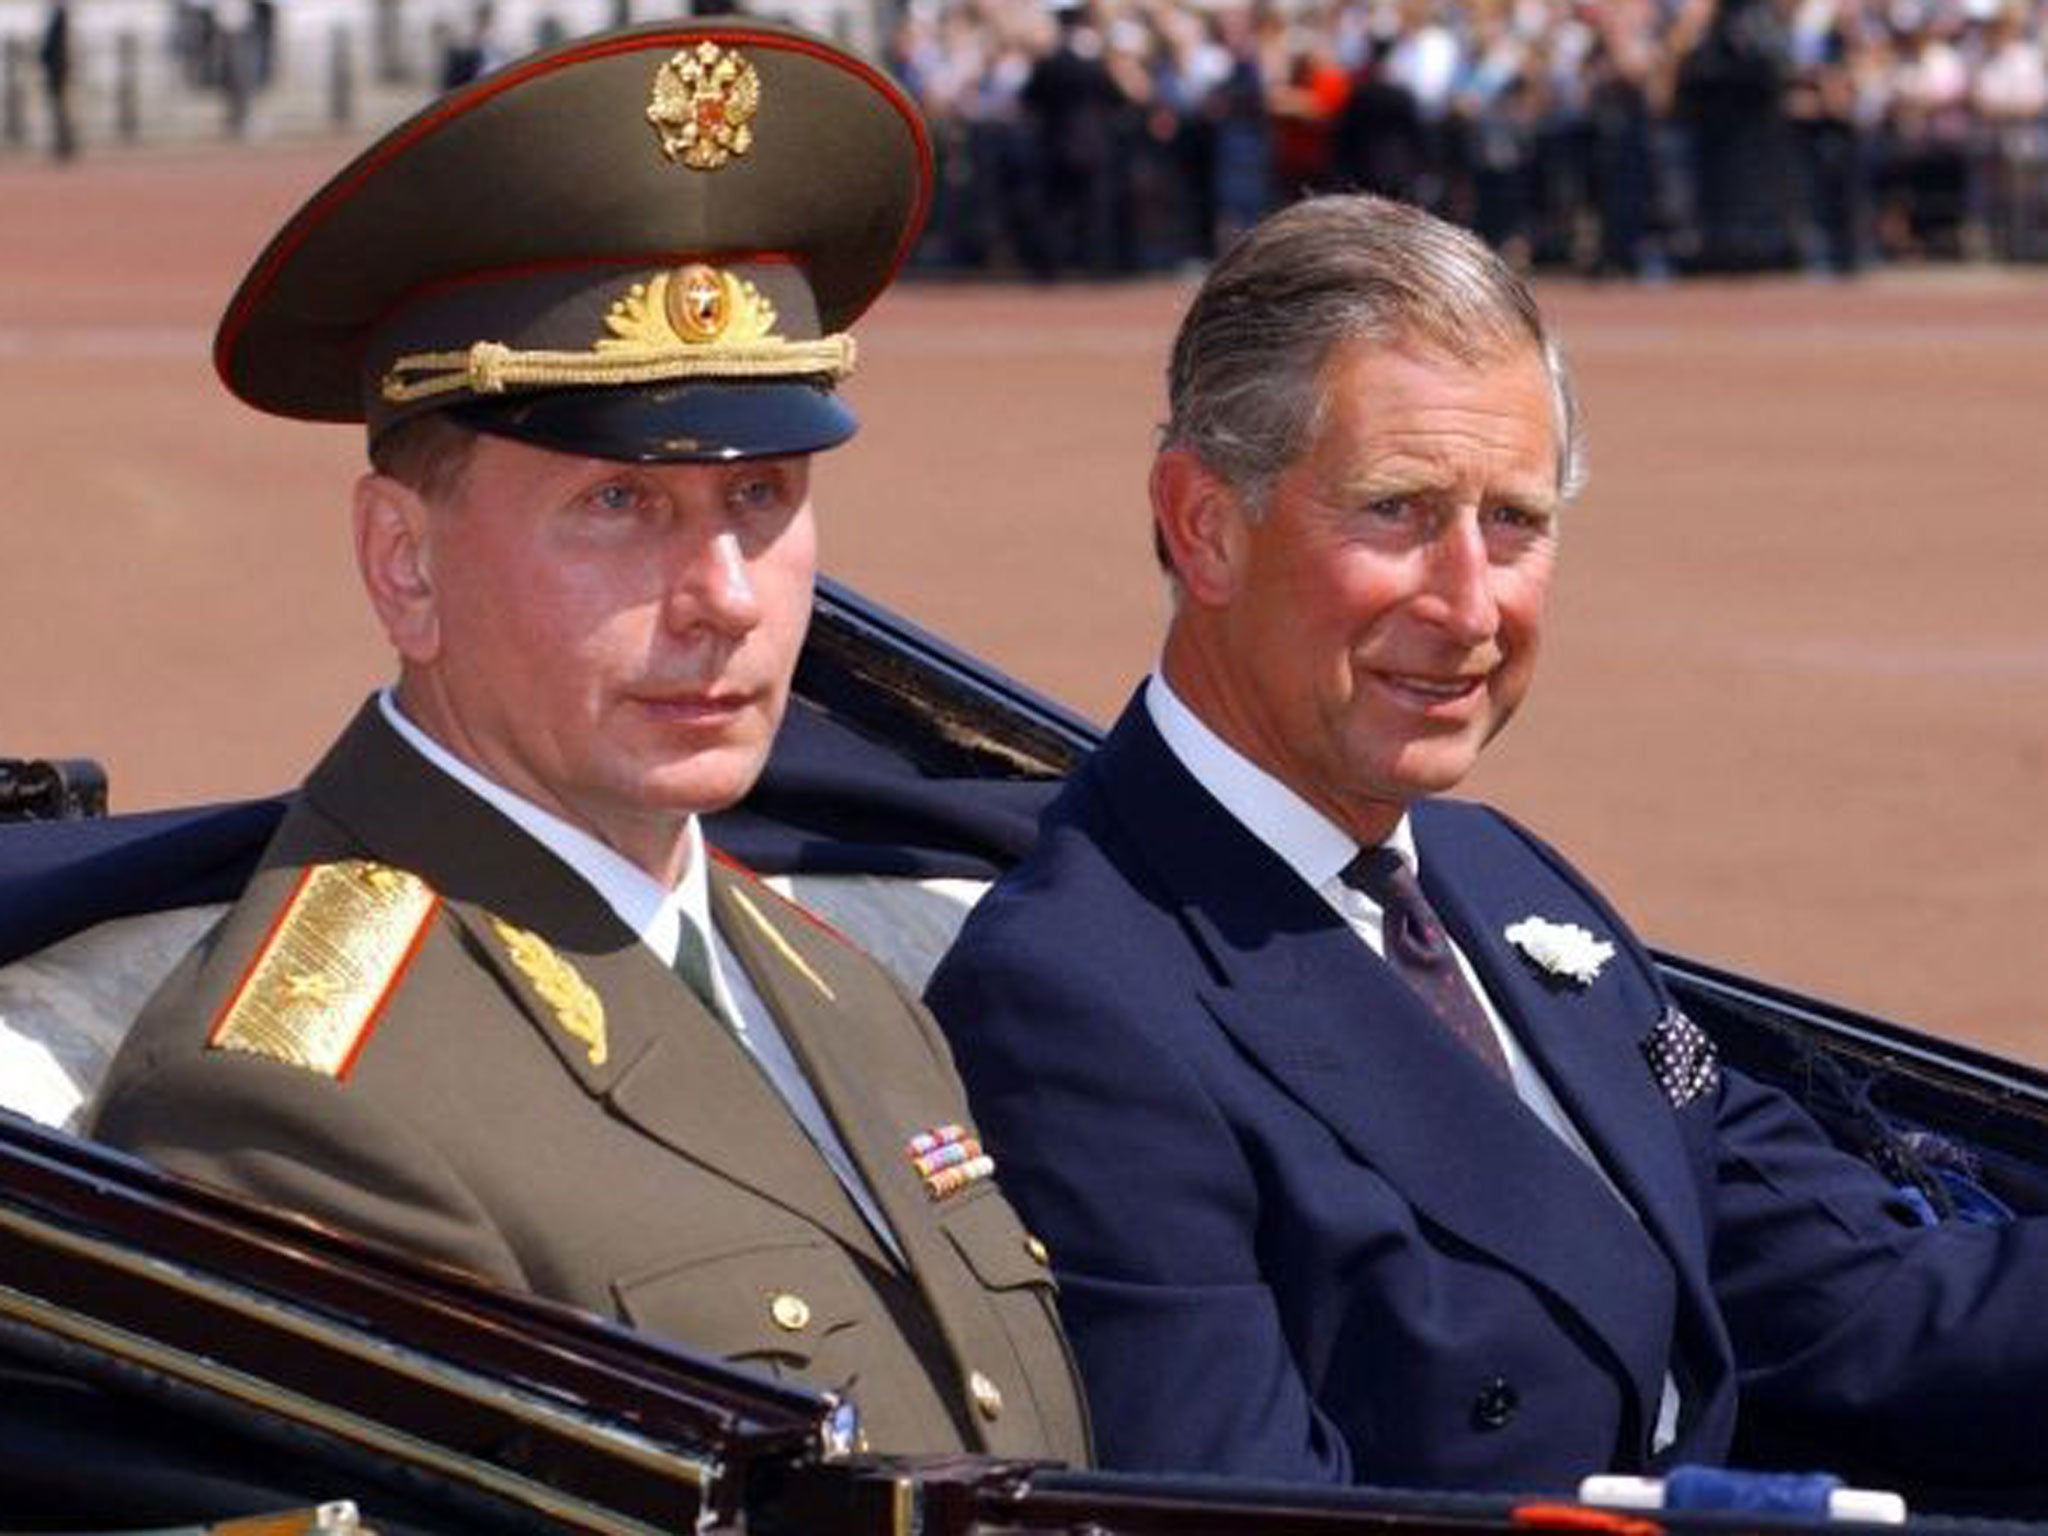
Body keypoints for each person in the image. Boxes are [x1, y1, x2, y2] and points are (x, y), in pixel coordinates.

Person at [925, 192, 2048, 1498]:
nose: (1470, 607)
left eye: (1515, 521)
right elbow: (1245, 1518)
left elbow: (1850, 1300)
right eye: (1398, 511)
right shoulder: (1076, 1001)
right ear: (1205, 525)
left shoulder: (1492, 878)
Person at [89, 18, 1088, 1467]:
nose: (726, 600)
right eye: (619, 508)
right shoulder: (294, 1105)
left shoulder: (829, 982)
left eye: (763, 496)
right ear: (403, 566)